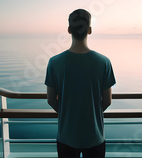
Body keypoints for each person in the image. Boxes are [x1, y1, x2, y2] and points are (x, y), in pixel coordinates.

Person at [45, 9, 116, 158]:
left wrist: (69, 114)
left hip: (66, 136)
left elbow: (51, 100)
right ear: (89, 30)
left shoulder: (54, 62)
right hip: (95, 137)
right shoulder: (104, 62)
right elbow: (107, 101)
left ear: (69, 29)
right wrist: (89, 115)